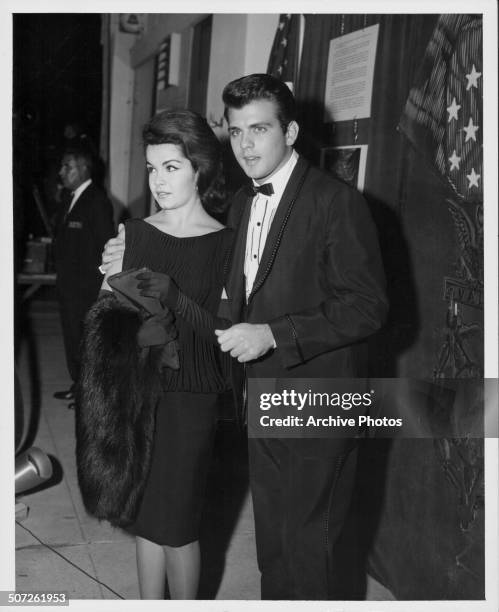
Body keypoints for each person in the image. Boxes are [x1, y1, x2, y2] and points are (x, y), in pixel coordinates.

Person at [102, 74, 388, 600]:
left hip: (320, 398)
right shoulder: (239, 206)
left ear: (292, 131)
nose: (247, 145)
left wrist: (274, 335)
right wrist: (131, 268)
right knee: (274, 545)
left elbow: (368, 306)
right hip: (262, 396)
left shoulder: (335, 201)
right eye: (236, 132)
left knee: (309, 546)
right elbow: (217, 309)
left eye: (259, 129)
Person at [97, 110, 232, 599]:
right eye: (152, 169)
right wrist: (110, 283)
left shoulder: (226, 245)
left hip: (193, 395)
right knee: (146, 518)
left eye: (171, 167)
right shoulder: (134, 232)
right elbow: (107, 320)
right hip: (141, 392)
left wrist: (176, 298)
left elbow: (225, 333)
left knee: (178, 526)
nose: (158, 180)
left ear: (199, 168)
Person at [53, 144, 114, 405]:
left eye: (67, 166)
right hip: (69, 286)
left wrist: (96, 283)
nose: (61, 171)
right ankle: (79, 386)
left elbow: (106, 244)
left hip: (85, 288)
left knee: (86, 343)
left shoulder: (96, 200)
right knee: (72, 339)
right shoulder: (70, 198)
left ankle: (90, 394)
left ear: (83, 169)